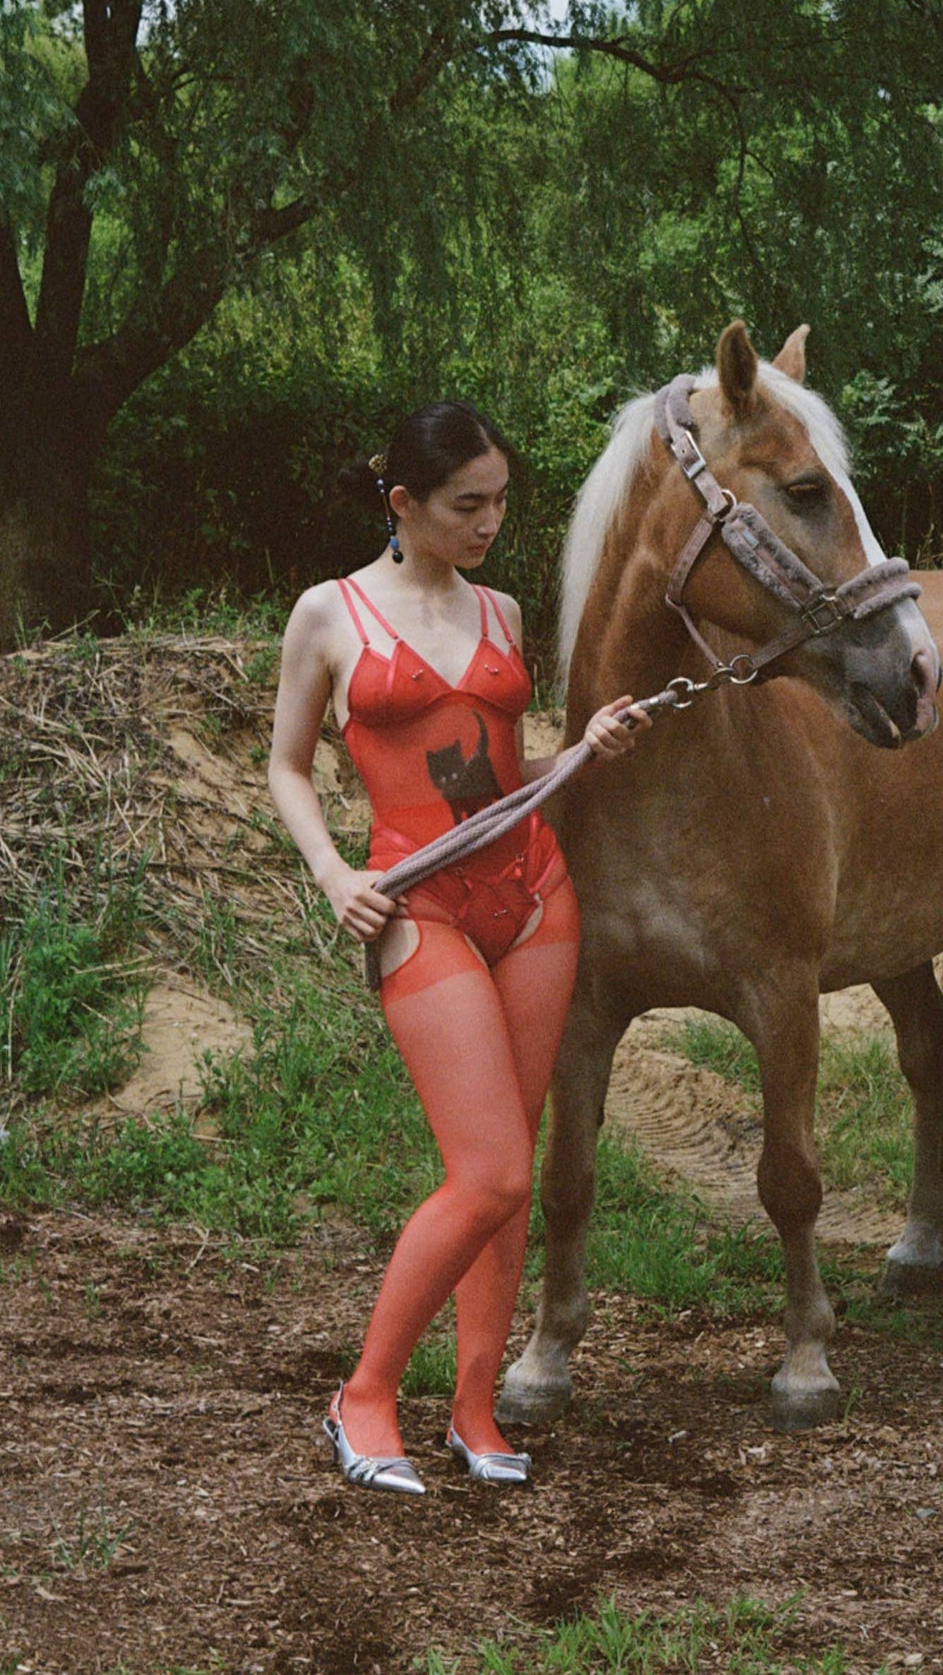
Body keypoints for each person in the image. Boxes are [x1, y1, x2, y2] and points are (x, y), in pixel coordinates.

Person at [268, 402, 643, 1493]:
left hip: (532, 897)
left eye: (500, 502)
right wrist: (334, 874)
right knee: (483, 1171)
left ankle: (474, 1411)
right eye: (465, 505)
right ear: (402, 506)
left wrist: (584, 751)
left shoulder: (503, 612)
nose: (489, 522)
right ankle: (365, 1394)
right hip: (413, 905)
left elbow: (495, 780)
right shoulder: (328, 616)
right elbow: (288, 764)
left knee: (510, 1173)